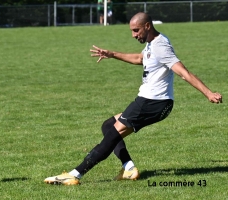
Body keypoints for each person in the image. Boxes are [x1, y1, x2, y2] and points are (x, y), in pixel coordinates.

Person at [44, 12, 222, 185]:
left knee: (111, 136)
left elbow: (184, 73)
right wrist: (112, 54)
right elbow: (139, 58)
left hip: (152, 102)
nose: (133, 35)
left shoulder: (161, 46)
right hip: (150, 101)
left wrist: (208, 93)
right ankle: (128, 168)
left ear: (147, 26)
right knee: (108, 126)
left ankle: (74, 175)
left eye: (136, 30)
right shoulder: (152, 43)